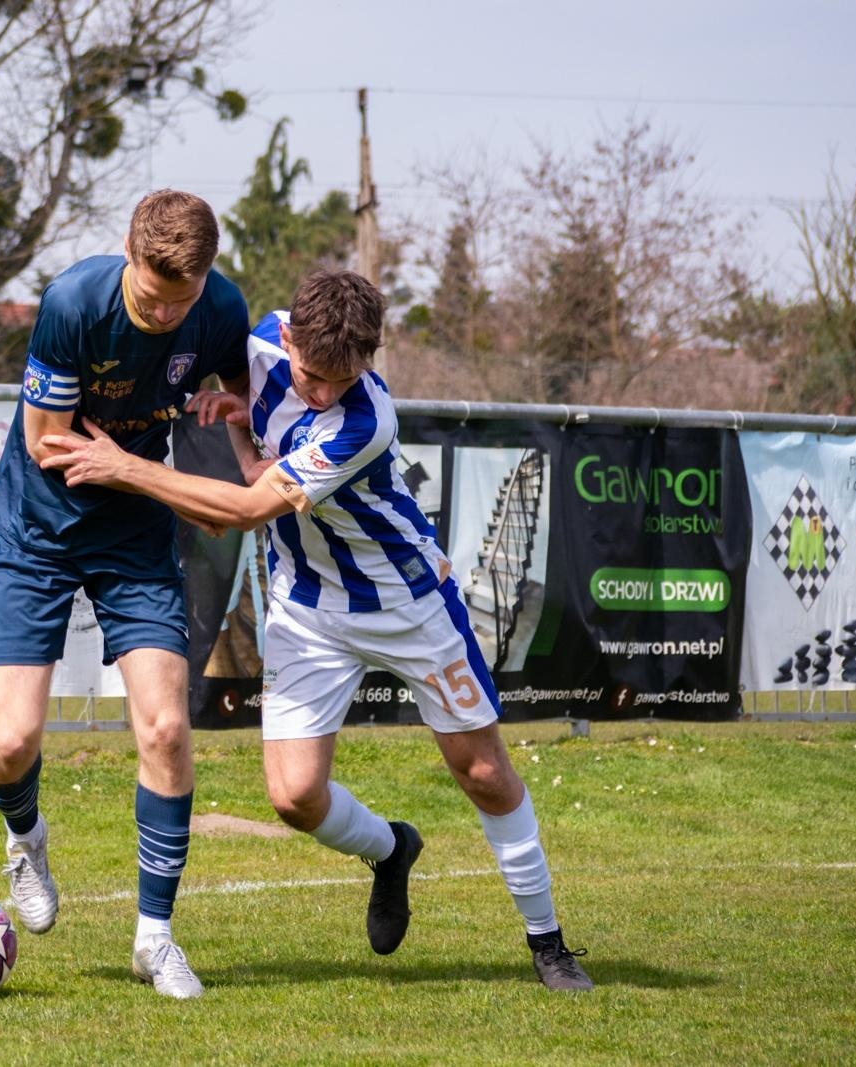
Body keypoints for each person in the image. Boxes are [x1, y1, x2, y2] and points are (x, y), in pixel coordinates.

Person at [38, 269, 593, 992]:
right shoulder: (259, 343)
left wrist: (123, 466)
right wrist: (240, 425)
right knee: (295, 795)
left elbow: (245, 511)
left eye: (343, 378)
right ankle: (392, 849)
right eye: (312, 375)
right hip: (306, 607)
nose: (325, 392)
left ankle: (548, 942)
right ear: (289, 337)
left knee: (483, 771)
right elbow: (249, 443)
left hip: (407, 603)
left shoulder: (365, 421)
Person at [0, 190, 250, 1000]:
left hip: (134, 533)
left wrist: (237, 429)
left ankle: (155, 938)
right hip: (38, 528)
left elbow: (245, 403)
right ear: (128, 255)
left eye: (182, 301)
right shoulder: (73, 303)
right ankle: (26, 837)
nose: (167, 315)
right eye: (153, 297)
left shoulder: (221, 306)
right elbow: (46, 443)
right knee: (11, 742)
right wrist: (140, 468)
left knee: (166, 727)